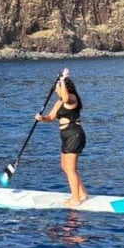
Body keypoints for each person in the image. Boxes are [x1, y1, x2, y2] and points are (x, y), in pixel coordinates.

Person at [35, 68, 86, 207]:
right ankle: (82, 193)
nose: (56, 89)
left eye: (58, 87)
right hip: (66, 137)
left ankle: (76, 199)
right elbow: (51, 117)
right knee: (65, 166)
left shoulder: (72, 99)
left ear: (65, 87)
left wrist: (62, 80)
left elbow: (65, 97)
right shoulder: (59, 103)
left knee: (71, 169)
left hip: (74, 135)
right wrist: (41, 118)